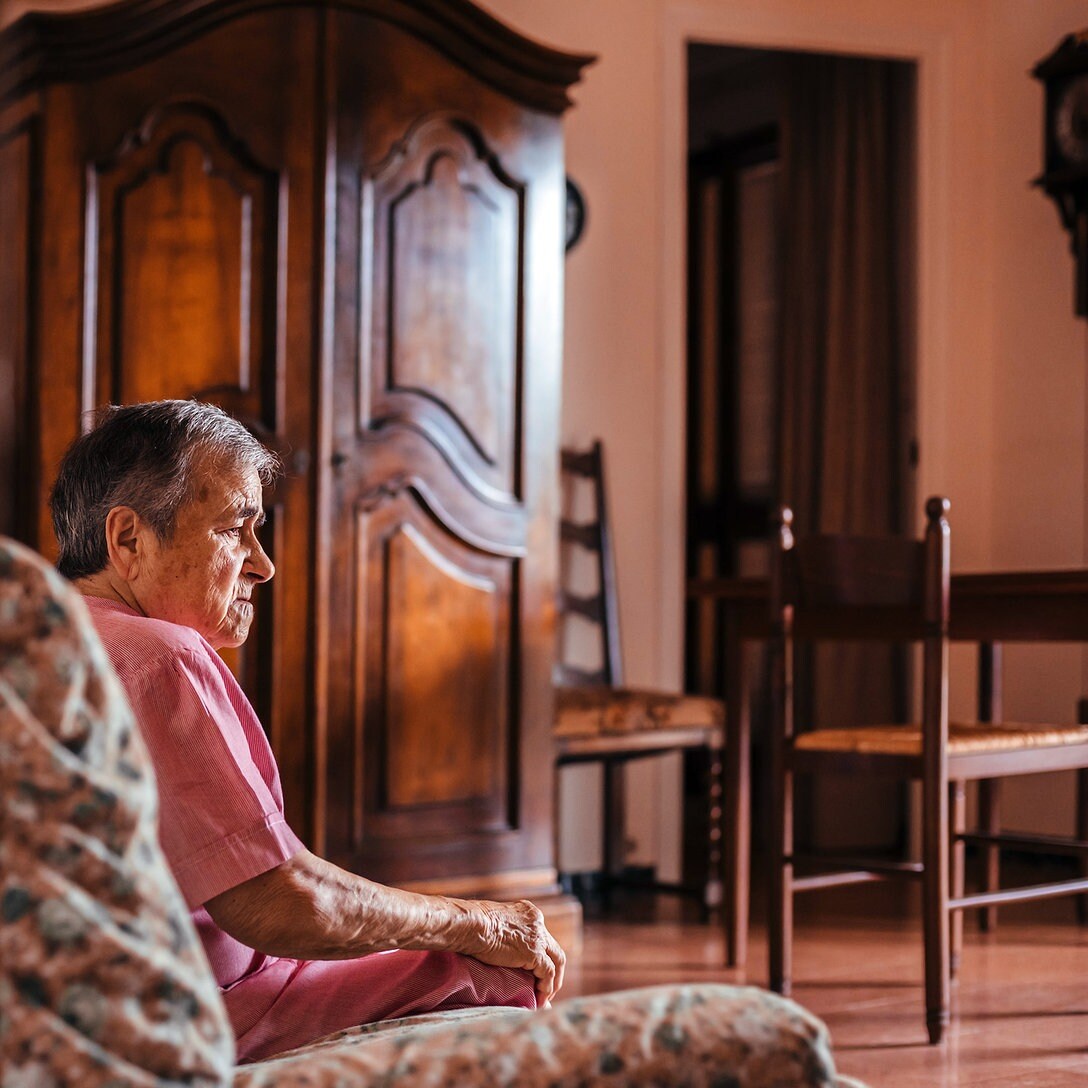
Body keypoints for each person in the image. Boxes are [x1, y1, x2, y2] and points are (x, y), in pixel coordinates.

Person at [49, 399, 564, 1062]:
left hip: (77, 1008)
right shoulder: (158, 656)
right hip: (179, 1017)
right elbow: (281, 903)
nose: (262, 565)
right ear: (128, 541)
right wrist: (480, 922)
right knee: (494, 971)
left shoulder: (43, 635)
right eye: (235, 530)